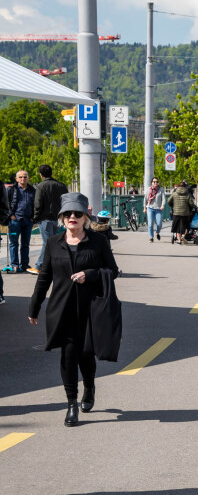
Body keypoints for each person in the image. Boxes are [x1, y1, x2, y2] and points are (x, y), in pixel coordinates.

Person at [28, 193, 120, 427]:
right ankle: (71, 403)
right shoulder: (53, 243)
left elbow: (113, 270)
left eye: (77, 214)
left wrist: (89, 275)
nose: (72, 217)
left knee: (86, 355)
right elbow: (44, 277)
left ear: (85, 218)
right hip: (62, 308)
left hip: (90, 308)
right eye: (67, 214)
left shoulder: (98, 242)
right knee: (68, 356)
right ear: (61, 218)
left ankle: (88, 387)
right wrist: (34, 305)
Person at [32, 164, 68, 271]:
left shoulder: (41, 186)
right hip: (58, 218)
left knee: (47, 242)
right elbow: (66, 202)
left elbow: (38, 204)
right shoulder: (62, 186)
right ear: (51, 173)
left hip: (45, 219)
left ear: (41, 175)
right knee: (56, 242)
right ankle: (56, 265)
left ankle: (40, 265)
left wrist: (36, 217)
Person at [5, 171, 35, 273]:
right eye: (20, 177)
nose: (23, 179)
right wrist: (11, 215)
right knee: (14, 244)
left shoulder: (32, 190)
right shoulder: (11, 189)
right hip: (15, 221)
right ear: (16, 179)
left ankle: (25, 264)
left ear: (28, 178)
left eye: (25, 177)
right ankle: (15, 265)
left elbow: (36, 205)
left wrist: (33, 218)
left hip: (28, 221)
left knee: (25, 244)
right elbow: (5, 203)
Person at [167, 180, 195, 244]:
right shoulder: (188, 194)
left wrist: (172, 205)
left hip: (176, 212)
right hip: (185, 213)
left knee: (177, 227)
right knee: (186, 226)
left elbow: (168, 201)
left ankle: (179, 240)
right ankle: (183, 236)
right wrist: (193, 207)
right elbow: (191, 203)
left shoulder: (174, 193)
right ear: (185, 187)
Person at [144, 177, 166, 242]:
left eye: (156, 181)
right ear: (152, 183)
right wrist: (144, 208)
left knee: (159, 223)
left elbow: (164, 199)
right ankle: (151, 237)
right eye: (154, 182)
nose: (155, 183)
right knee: (150, 224)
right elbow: (145, 199)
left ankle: (157, 232)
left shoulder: (161, 189)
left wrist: (162, 205)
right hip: (150, 208)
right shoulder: (148, 189)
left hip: (158, 209)